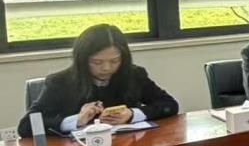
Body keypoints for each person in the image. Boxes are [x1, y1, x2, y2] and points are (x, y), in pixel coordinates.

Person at [19, 23, 178, 136]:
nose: (106, 68)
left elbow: (169, 105)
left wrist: (132, 114)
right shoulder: (60, 82)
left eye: (115, 61)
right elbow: (26, 126)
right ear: (82, 60)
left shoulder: (134, 75)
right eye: (97, 62)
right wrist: (76, 120)